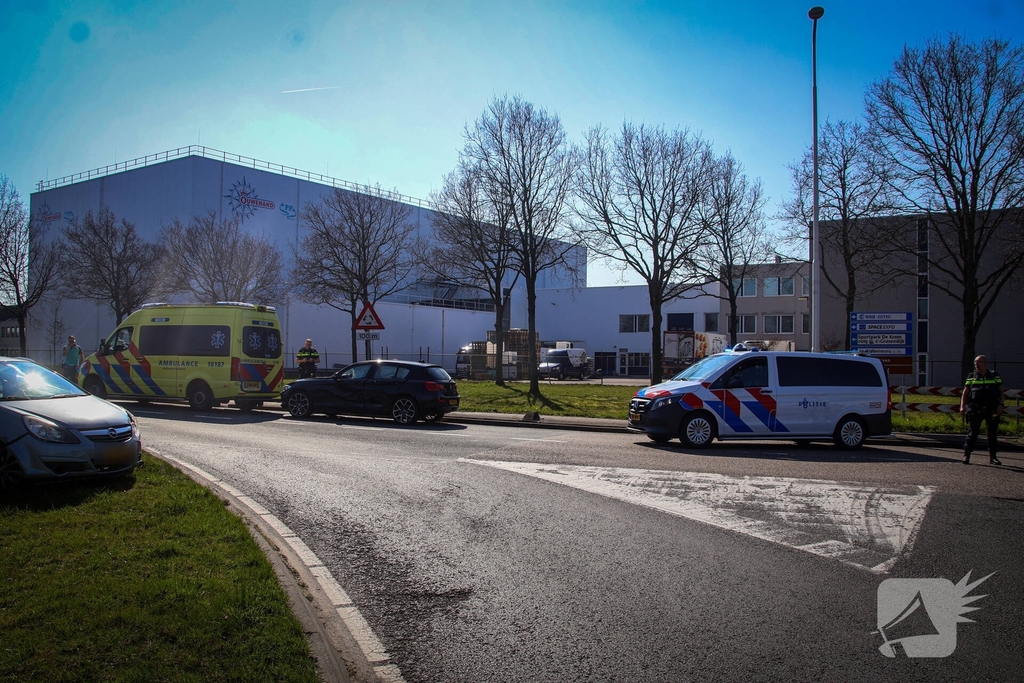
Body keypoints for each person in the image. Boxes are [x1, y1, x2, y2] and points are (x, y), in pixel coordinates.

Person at [959, 355, 1005, 465]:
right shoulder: (972, 376)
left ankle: (993, 457)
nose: (976, 365)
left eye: (979, 362)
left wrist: (1001, 405)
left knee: (992, 434)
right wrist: (962, 406)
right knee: (973, 433)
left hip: (992, 409)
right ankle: (966, 455)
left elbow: (1001, 391)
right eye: (975, 362)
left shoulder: (994, 376)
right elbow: (965, 392)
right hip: (976, 409)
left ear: (985, 363)